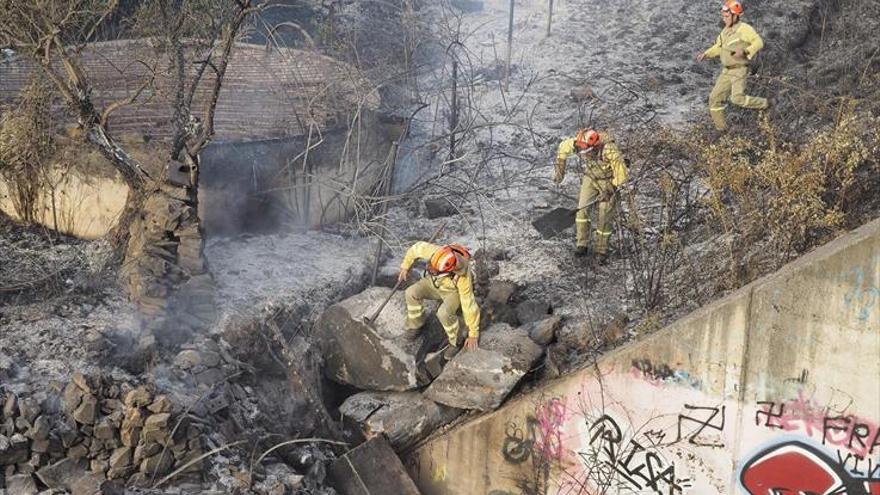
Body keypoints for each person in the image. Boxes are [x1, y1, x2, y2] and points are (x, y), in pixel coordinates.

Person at [554, 128, 628, 263]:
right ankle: (582, 245)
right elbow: (562, 149)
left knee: (604, 216)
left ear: (595, 147)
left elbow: (621, 174)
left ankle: (601, 250)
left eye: (587, 152)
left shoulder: (609, 150)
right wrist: (559, 175)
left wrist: (611, 190)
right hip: (590, 177)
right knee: (582, 210)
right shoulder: (578, 143)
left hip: (608, 180)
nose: (584, 155)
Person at [398, 241, 480, 359]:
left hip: (452, 292)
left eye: (435, 270)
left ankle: (455, 342)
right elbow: (416, 248)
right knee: (411, 293)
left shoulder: (463, 279)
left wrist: (473, 334)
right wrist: (405, 266)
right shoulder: (438, 253)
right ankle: (416, 325)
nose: (431, 268)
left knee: (443, 313)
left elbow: (469, 305)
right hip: (434, 283)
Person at [696, 0, 770, 131]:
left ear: (735, 16)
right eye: (723, 16)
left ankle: (766, 104)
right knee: (714, 98)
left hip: (740, 69)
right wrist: (706, 54)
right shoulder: (724, 31)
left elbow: (759, 42)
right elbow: (718, 47)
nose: (724, 19)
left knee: (736, 98)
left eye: (727, 16)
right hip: (727, 71)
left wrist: (746, 51)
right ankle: (723, 130)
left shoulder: (744, 29)